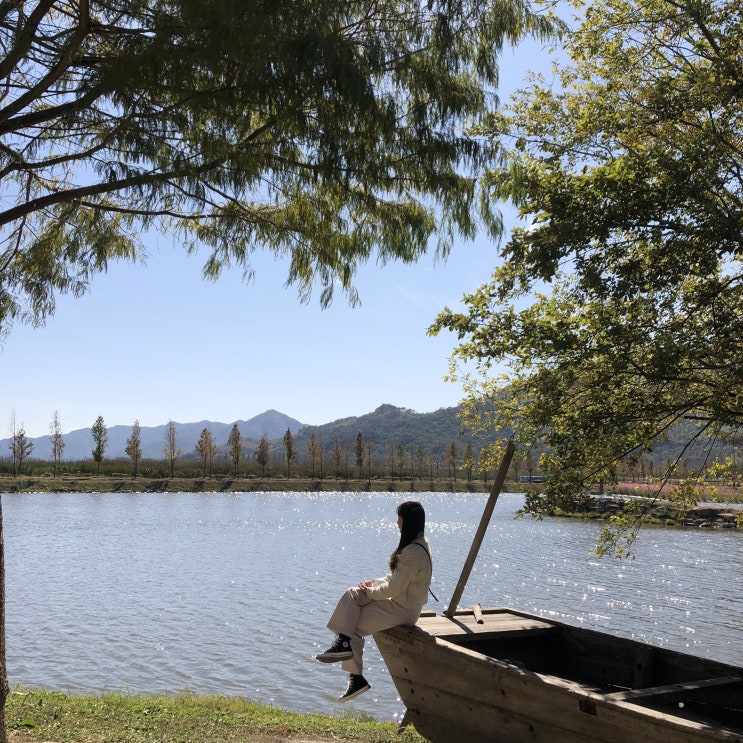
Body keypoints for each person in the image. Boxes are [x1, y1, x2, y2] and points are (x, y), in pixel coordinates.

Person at [316, 500, 433, 702]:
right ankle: (345, 646)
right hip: (399, 603)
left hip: (403, 610)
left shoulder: (413, 552)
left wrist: (371, 593)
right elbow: (395, 580)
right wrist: (372, 584)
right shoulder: (417, 545)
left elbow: (395, 588)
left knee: (351, 624)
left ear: (408, 521)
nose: (397, 523)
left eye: (399, 518)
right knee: (353, 593)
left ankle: (355, 674)